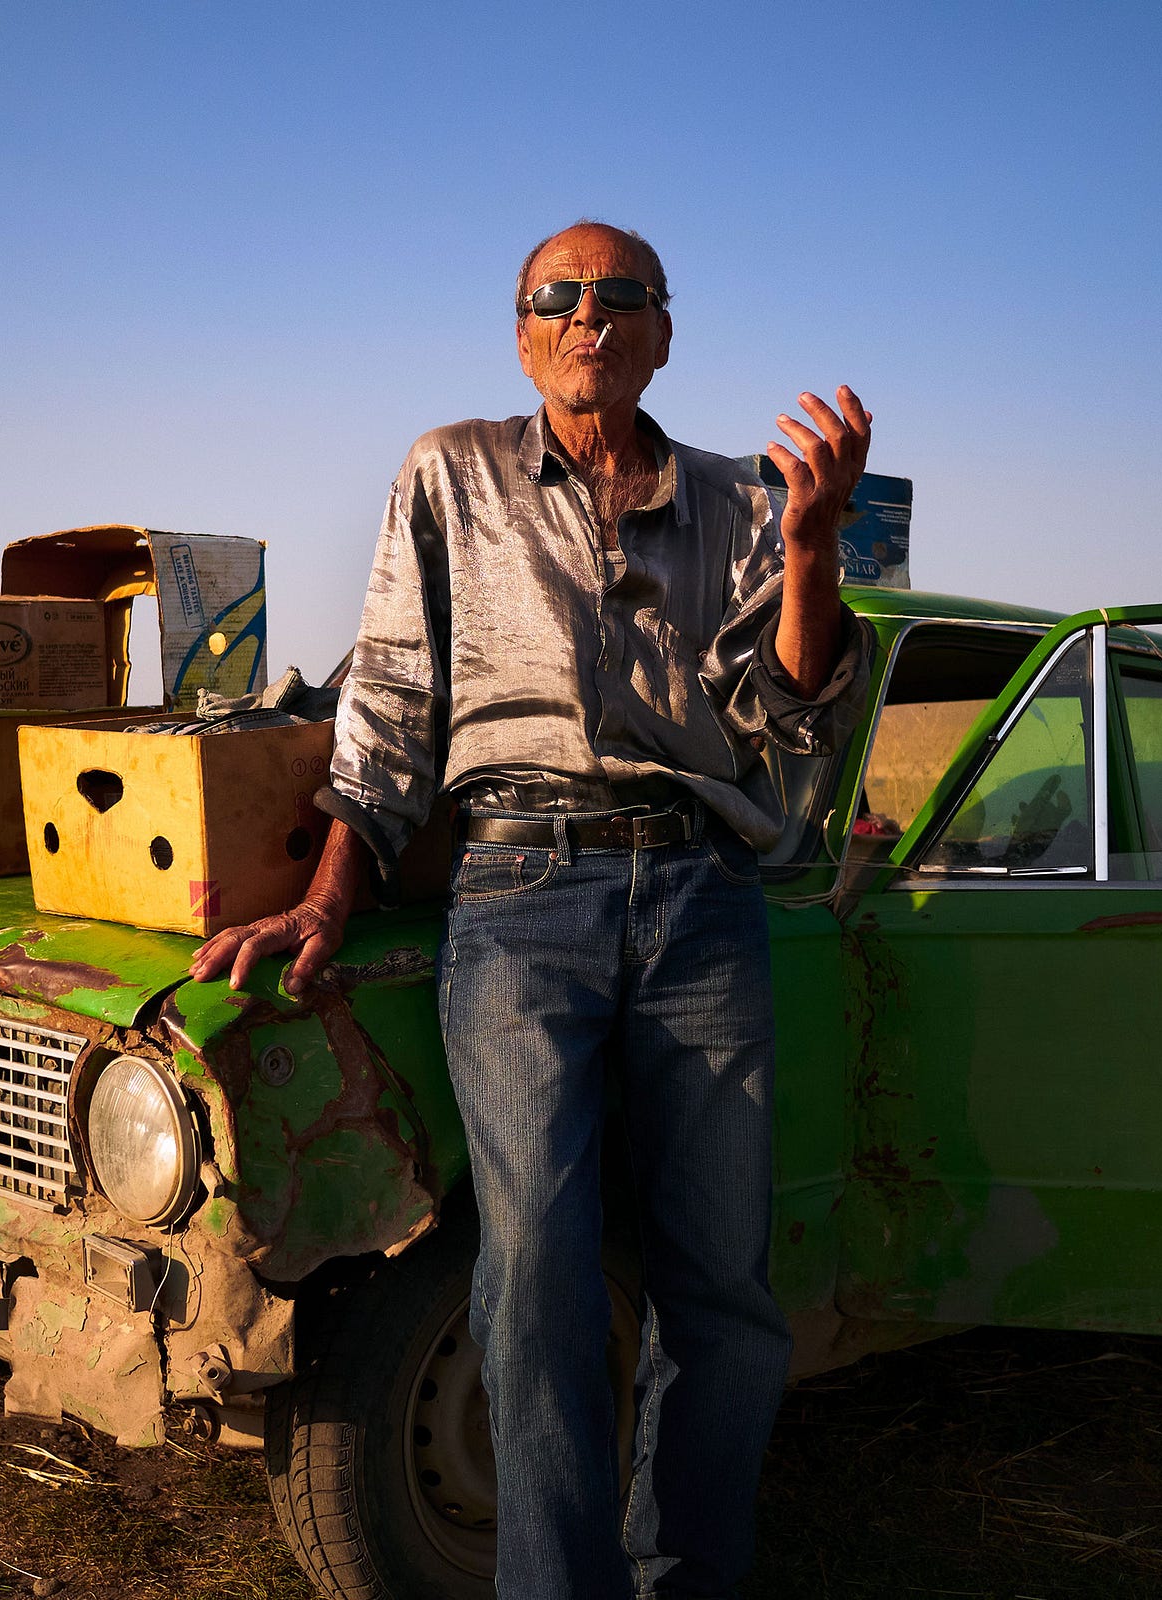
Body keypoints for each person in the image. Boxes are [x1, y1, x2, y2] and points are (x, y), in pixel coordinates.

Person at [189, 219, 874, 1600]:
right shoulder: (451, 473)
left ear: (664, 334)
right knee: (538, 1273)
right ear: (520, 334)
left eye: (620, 298)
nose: (588, 318)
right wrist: (331, 896)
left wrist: (810, 550)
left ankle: (684, 1573)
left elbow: (791, 714)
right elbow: (387, 706)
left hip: (698, 895)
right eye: (555, 297)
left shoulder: (746, 500)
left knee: (723, 1288)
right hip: (518, 892)